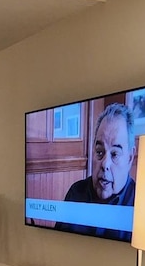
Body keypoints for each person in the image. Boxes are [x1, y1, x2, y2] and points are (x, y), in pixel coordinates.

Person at [55, 103, 136, 241]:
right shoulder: (76, 192)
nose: (105, 164)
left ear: (129, 158)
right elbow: (56, 242)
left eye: (115, 154)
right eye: (99, 152)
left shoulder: (141, 204)